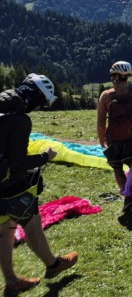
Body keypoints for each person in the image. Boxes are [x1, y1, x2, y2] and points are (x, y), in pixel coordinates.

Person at [1, 74, 78, 295]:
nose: (38, 108)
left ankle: (11, 280)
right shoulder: (19, 119)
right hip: (7, 183)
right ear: (34, 96)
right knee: (30, 219)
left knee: (5, 228)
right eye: (41, 102)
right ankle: (53, 265)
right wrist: (45, 157)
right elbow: (18, 162)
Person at [96, 61, 132, 212]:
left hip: (114, 139)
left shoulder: (106, 96)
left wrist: (102, 140)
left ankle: (128, 198)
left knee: (117, 168)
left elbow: (101, 122)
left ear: (115, 76)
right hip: (131, 137)